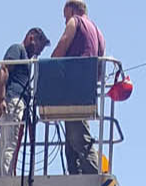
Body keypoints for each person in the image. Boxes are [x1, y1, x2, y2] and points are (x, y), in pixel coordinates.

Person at [52, 0, 105, 175]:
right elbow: (100, 70)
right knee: (71, 138)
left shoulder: (75, 22)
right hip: (87, 90)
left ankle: (92, 175)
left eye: (65, 15)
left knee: (78, 136)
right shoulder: (98, 32)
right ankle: (75, 175)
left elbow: (62, 45)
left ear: (72, 10)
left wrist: (49, 70)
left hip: (73, 88)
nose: (65, 20)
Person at [0, 27, 51, 177]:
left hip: (16, 102)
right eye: (39, 47)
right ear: (32, 38)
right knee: (10, 144)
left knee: (6, 143)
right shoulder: (17, 50)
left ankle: (2, 176)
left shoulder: (27, 58)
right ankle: (6, 179)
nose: (38, 53)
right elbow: (4, 70)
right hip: (13, 101)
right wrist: (0, 99)